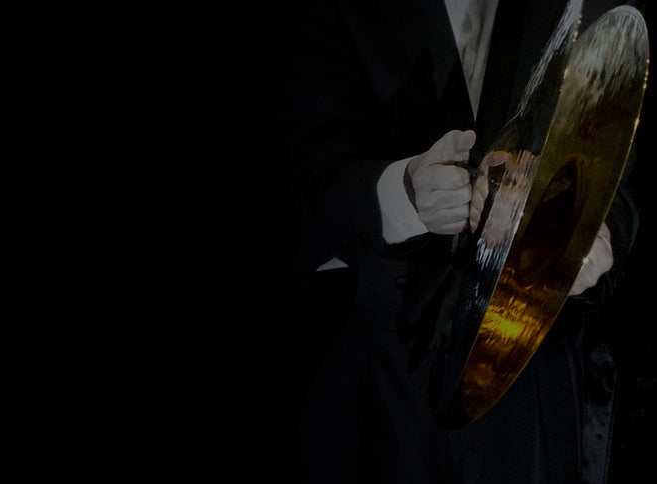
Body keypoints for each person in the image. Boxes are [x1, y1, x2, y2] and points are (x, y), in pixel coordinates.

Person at [266, 0, 634, 482]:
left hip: (526, 371)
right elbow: (299, 175)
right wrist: (404, 191)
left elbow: (625, 173)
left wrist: (596, 232)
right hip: (376, 376)